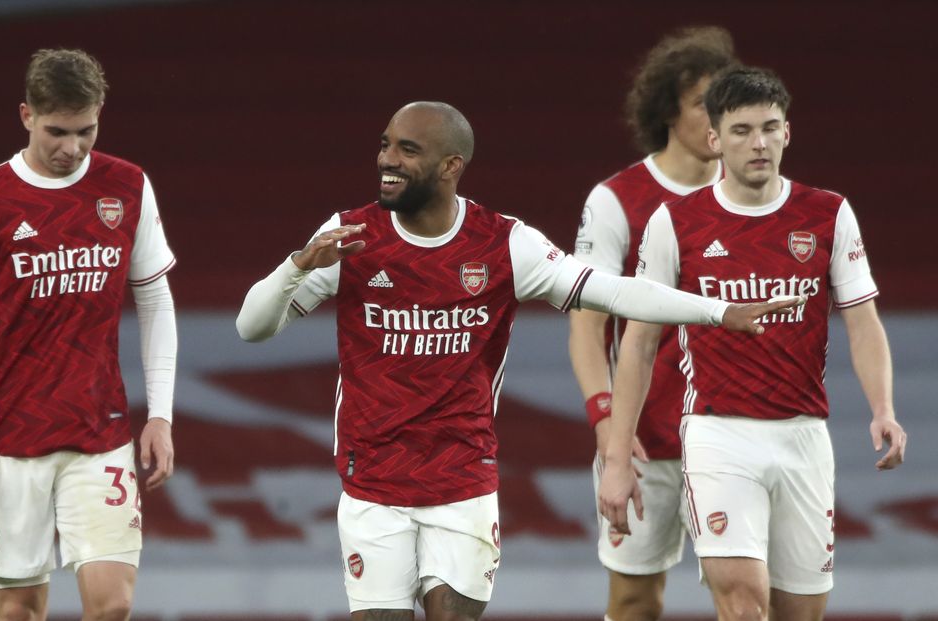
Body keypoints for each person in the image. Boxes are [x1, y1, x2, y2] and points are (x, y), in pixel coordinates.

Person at [235, 101, 799, 621]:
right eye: (385, 144)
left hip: (463, 484)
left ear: (451, 165)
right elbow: (251, 328)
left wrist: (718, 311)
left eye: (408, 150)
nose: (387, 160)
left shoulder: (503, 243)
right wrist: (298, 266)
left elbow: (614, 291)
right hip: (372, 486)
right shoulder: (352, 237)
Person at [598, 67, 907, 621]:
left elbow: (863, 320)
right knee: (743, 601)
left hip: (804, 437)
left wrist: (883, 408)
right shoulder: (676, 222)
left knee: (799, 612)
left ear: (788, 133)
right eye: (741, 130)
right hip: (719, 434)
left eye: (769, 127)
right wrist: (617, 458)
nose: (758, 142)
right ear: (714, 139)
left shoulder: (828, 213)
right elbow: (639, 343)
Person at [0, 48, 178, 621]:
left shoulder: (127, 185)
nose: (72, 147)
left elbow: (155, 300)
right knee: (19, 608)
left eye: (86, 130)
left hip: (100, 429)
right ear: (26, 115)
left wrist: (162, 415)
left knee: (113, 603)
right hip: (9, 434)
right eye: (57, 131)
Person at [568, 26, 736, 621]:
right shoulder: (618, 200)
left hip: (734, 435)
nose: (719, 120)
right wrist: (605, 418)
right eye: (703, 105)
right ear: (668, 109)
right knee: (636, 598)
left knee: (741, 596)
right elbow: (587, 329)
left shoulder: (753, 197)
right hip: (647, 441)